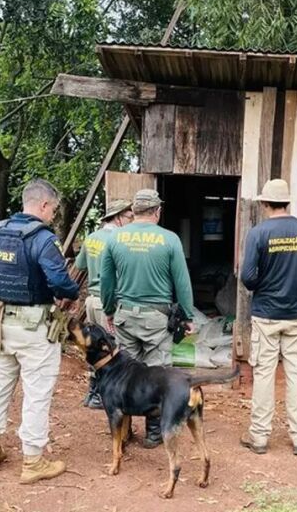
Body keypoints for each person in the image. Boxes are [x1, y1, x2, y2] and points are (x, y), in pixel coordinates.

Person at [0, 179, 80, 484]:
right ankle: (33, 461)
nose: (54, 216)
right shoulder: (44, 239)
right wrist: (70, 292)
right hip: (34, 327)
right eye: (54, 210)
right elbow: (60, 282)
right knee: (36, 393)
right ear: (44, 205)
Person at [239, 179, 297, 457]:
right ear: (287, 202)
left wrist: (264, 288)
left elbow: (247, 277)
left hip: (266, 314)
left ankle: (260, 437)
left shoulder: (258, 233)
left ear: (265, 203)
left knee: (264, 374)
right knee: (296, 375)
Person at [99, 188, 195, 448]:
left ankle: (125, 431)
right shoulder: (170, 239)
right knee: (157, 375)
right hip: (157, 319)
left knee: (125, 375)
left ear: (133, 212)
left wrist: (109, 309)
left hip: (125, 315)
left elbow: (106, 281)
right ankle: (154, 433)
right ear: (157, 211)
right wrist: (186, 315)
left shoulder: (115, 238)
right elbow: (182, 283)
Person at [74, 199, 133, 408]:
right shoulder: (120, 239)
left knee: (93, 348)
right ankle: (104, 394)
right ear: (117, 218)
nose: (131, 220)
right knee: (111, 349)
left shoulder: (91, 238)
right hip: (109, 301)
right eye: (128, 216)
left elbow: (80, 265)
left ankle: (92, 393)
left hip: (91, 300)